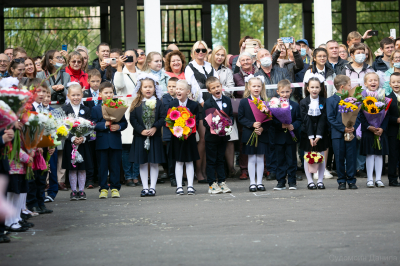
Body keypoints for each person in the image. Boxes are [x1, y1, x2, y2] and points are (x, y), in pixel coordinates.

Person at [185, 40, 219, 183]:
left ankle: (207, 171)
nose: (200, 53)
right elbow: (192, 88)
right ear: (193, 52)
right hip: (199, 106)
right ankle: (198, 171)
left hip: (212, 104)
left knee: (211, 140)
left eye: (203, 50)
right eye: (198, 50)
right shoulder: (189, 67)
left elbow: (216, 83)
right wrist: (202, 103)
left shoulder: (210, 66)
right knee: (203, 139)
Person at [129, 73, 166, 197]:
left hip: (154, 137)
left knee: (154, 162)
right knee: (143, 162)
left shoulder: (158, 103)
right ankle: (145, 187)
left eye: (150, 86)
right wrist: (141, 130)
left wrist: (155, 127)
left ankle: (153, 187)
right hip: (141, 137)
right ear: (140, 88)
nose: (148, 89)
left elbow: (162, 117)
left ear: (155, 88)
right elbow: (133, 119)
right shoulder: (136, 103)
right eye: (145, 87)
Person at [91, 82, 128, 199]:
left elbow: (124, 123)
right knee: (102, 167)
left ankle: (115, 188)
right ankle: (103, 189)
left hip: (115, 141)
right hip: (101, 142)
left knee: (115, 166)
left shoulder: (118, 106)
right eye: (106, 93)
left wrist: (119, 127)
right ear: (100, 94)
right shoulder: (96, 109)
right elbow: (92, 124)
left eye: (111, 92)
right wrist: (104, 125)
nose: (109, 95)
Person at [327, 75, 360, 190]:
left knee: (351, 157)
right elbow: (330, 118)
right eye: (349, 85)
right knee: (339, 157)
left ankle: (351, 180)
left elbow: (358, 115)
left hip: (351, 132)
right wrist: (343, 128)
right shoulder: (331, 100)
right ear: (342, 87)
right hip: (337, 135)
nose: (351, 87)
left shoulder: (353, 99)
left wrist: (353, 127)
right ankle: (341, 180)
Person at [238, 76, 270, 192]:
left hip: (262, 134)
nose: (256, 88)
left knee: (261, 158)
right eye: (254, 86)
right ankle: (252, 183)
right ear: (249, 87)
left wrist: (262, 128)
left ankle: (260, 182)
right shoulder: (244, 102)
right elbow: (241, 118)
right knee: (251, 158)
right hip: (249, 133)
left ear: (262, 87)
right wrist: (252, 124)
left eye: (258, 86)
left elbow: (269, 120)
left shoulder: (265, 102)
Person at [210, 45, 238, 177]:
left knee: (230, 137)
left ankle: (231, 168)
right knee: (213, 138)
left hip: (225, 105)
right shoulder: (206, 68)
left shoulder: (227, 71)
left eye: (222, 55)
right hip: (210, 105)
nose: (220, 57)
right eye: (217, 54)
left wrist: (220, 88)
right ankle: (214, 168)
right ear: (213, 55)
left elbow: (231, 88)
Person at [61, 83, 93, 201]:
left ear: (82, 95)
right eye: (73, 95)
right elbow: (62, 128)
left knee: (82, 168)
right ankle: (74, 191)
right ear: (68, 96)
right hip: (71, 144)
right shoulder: (65, 109)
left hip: (83, 144)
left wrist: (84, 138)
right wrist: (72, 138)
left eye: (78, 95)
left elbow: (90, 126)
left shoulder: (86, 109)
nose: (76, 97)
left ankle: (82, 191)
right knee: (73, 168)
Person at [114, 50, 141, 186]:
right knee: (126, 147)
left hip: (139, 112)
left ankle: (136, 175)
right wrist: (119, 66)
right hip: (125, 112)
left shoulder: (142, 74)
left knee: (137, 145)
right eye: (126, 56)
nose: (129, 59)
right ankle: (128, 176)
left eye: (132, 56)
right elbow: (118, 86)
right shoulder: (120, 73)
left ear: (136, 59)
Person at [27, 80, 54, 214]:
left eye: (44, 91)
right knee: (33, 176)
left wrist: (51, 143)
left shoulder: (45, 108)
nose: (42, 94)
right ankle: (32, 203)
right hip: (33, 148)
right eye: (39, 91)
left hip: (43, 148)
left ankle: (40, 202)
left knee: (42, 175)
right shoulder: (29, 107)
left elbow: (49, 128)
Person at [203, 76, 233, 194]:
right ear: (209, 91)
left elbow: (230, 116)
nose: (216, 89)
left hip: (224, 136)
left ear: (221, 87)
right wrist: (215, 128)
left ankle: (222, 181)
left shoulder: (227, 100)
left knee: (221, 159)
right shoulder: (207, 103)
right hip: (212, 137)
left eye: (218, 86)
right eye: (213, 88)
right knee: (211, 160)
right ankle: (212, 184)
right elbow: (205, 121)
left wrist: (228, 126)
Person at [169, 80, 200, 195]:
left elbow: (195, 121)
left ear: (188, 92)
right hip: (177, 138)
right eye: (177, 88)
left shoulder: (193, 105)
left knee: (189, 161)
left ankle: (191, 186)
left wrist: (188, 130)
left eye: (181, 89)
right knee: (179, 161)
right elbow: (169, 121)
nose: (178, 91)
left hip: (190, 137)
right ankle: (179, 186)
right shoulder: (172, 104)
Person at [300, 73, 329, 189]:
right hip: (307, 134)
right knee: (308, 157)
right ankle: (310, 181)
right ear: (307, 88)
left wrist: (319, 135)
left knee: (321, 157)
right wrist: (311, 136)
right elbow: (305, 120)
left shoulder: (324, 101)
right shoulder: (303, 102)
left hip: (321, 134)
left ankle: (320, 180)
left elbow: (323, 118)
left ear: (321, 88)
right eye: (312, 87)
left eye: (317, 87)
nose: (314, 89)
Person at [359, 72, 388, 188]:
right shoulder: (362, 96)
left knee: (379, 155)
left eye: (375, 80)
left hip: (380, 130)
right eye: (370, 80)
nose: (373, 82)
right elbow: (361, 115)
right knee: (370, 154)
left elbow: (386, 114)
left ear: (379, 82)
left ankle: (379, 179)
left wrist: (382, 128)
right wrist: (368, 127)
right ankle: (370, 179)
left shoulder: (383, 95)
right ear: (365, 83)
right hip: (368, 131)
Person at [272, 79, 302, 191]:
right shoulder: (274, 106)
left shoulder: (295, 105)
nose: (285, 94)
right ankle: (280, 182)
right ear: (278, 92)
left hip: (291, 137)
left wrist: (293, 125)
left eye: (287, 92)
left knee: (291, 160)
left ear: (291, 91)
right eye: (282, 92)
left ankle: (292, 182)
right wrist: (281, 125)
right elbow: (271, 121)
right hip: (279, 137)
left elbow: (299, 119)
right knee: (280, 160)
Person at [82, 69, 102, 189]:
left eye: (97, 81)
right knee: (90, 153)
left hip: (100, 128)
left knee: (99, 153)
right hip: (89, 130)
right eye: (92, 81)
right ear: (88, 80)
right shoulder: (84, 94)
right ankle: (90, 178)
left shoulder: (103, 94)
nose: (95, 83)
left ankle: (100, 177)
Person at [162, 77, 181, 187]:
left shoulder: (182, 99)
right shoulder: (165, 99)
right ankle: (172, 176)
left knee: (179, 155)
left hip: (181, 132)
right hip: (169, 132)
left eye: (174, 86)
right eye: (169, 86)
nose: (172, 89)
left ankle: (180, 176)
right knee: (171, 156)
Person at [42, 91, 59, 202]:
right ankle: (41, 193)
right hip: (41, 145)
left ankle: (52, 192)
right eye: (44, 96)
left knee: (52, 168)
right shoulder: (36, 110)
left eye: (49, 96)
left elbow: (59, 128)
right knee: (41, 169)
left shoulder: (55, 111)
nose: (47, 99)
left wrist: (53, 143)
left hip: (52, 144)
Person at [386, 72, 400, 187]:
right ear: (390, 84)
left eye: (399, 82)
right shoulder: (388, 99)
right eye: (394, 82)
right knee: (393, 155)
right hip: (393, 132)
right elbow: (386, 117)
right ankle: (392, 178)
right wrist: (396, 120)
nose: (396, 84)